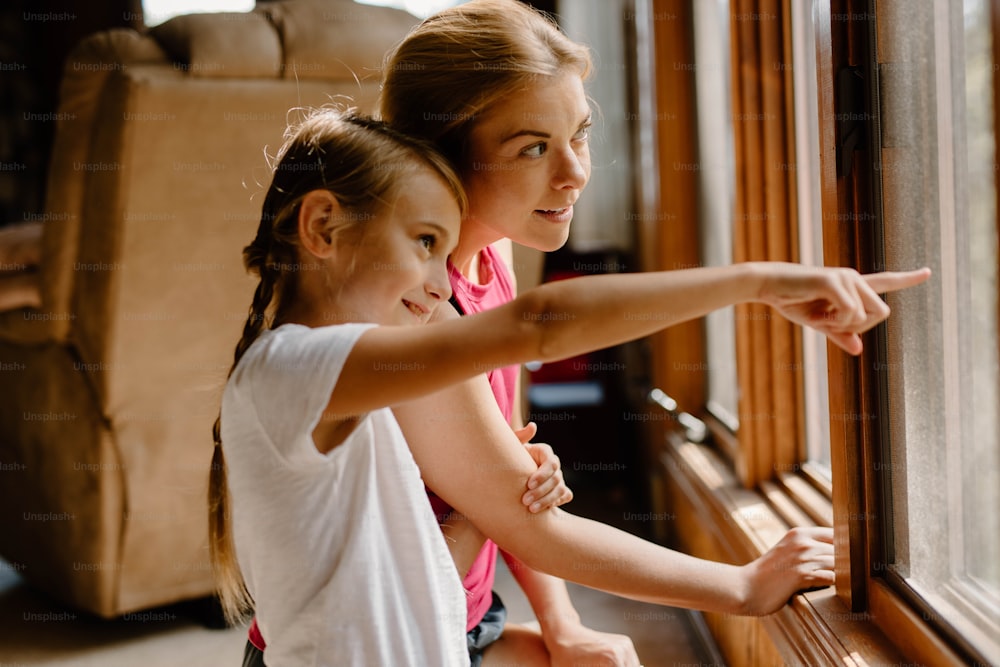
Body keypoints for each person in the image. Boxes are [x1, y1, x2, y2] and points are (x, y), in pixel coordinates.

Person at [209, 107, 930, 666]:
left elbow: (407, 581)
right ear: (323, 225)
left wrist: (483, 498)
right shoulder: (287, 371)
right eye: (425, 242)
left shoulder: (362, 385)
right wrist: (758, 281)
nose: (439, 285)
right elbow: (541, 323)